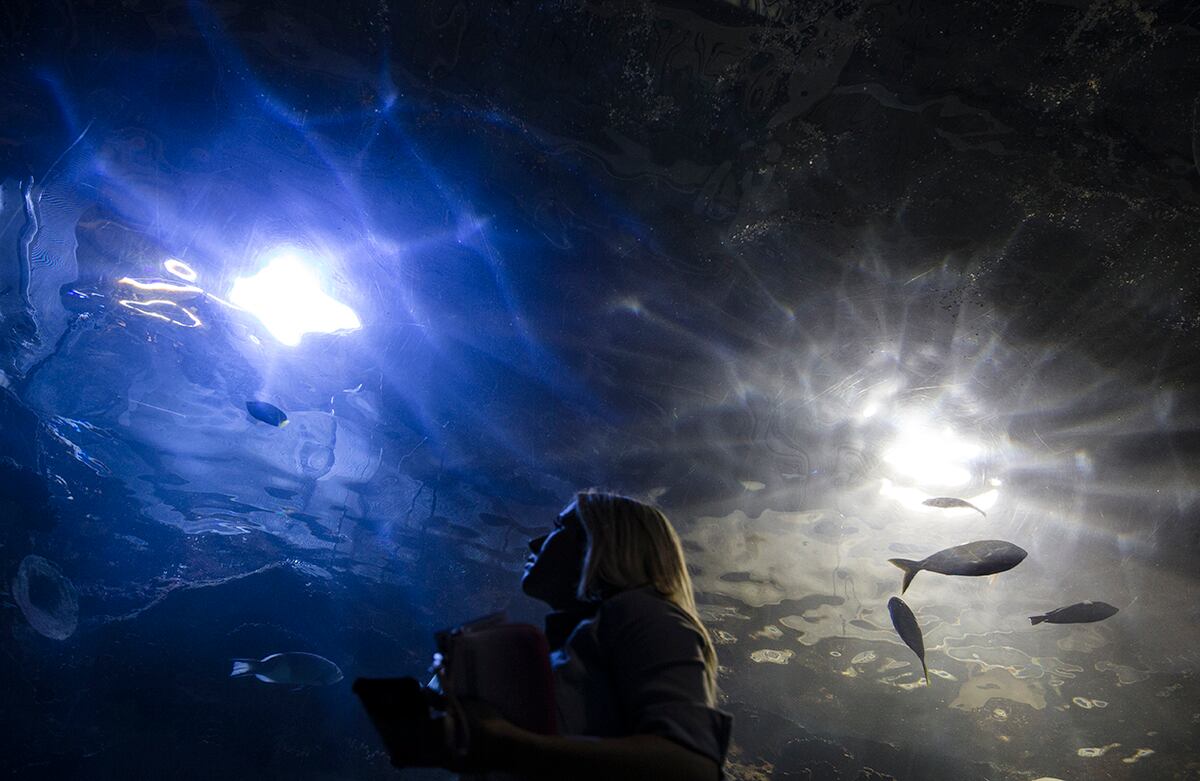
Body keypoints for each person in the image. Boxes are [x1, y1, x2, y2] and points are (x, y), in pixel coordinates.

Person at [448, 491, 732, 780]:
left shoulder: (643, 613)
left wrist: (506, 745)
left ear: (599, 545)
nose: (534, 542)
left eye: (559, 527)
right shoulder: (589, 636)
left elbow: (691, 767)